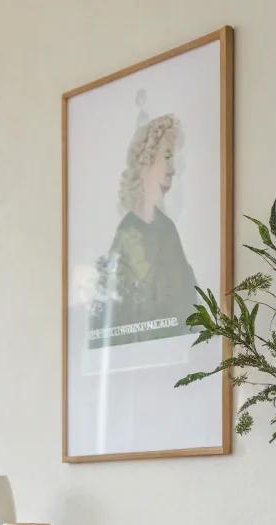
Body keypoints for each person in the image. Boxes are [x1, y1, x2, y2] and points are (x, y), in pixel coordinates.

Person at [89, 113, 197, 349]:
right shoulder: (128, 232)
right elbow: (115, 320)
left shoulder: (167, 229)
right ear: (146, 161)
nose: (172, 169)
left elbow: (187, 304)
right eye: (166, 157)